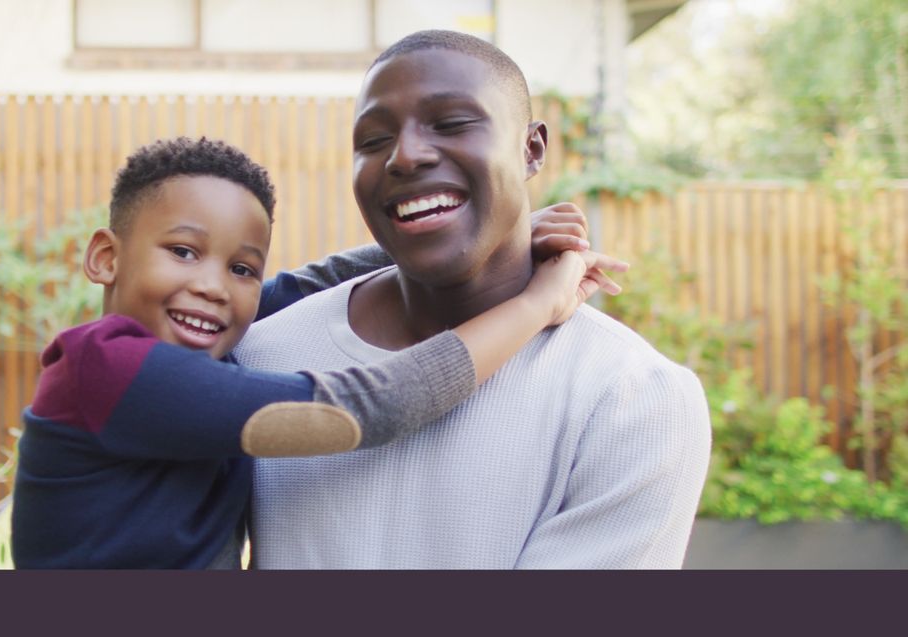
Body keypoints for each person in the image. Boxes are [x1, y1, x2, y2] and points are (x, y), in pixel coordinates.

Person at [10, 136, 625, 569]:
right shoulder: (111, 369)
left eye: (242, 267)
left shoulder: (207, 337)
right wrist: (536, 304)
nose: (213, 285)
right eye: (183, 251)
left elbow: (308, 285)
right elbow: (360, 409)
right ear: (105, 258)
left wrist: (496, 232)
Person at [240, 31, 712, 570]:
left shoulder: (634, 399)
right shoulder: (261, 359)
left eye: (452, 123)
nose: (405, 155)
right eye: (372, 140)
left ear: (531, 149)